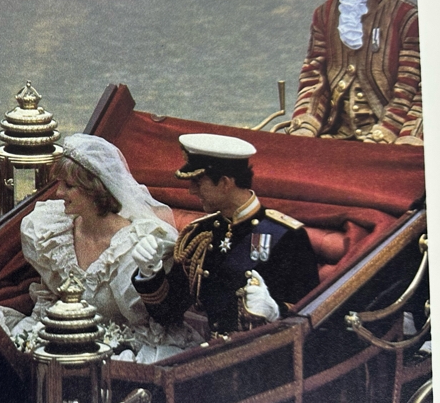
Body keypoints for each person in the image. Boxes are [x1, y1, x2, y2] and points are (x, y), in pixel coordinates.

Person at [0, 134, 202, 363]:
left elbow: (155, 320)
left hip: (123, 349)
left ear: (95, 190)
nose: (59, 193)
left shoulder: (137, 245)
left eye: (69, 186)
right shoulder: (50, 228)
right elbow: (51, 300)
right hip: (62, 334)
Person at [132, 134, 320, 337]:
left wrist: (275, 312)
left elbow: (315, 317)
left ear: (224, 182)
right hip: (209, 354)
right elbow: (168, 313)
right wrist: (149, 273)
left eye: (197, 182)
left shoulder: (287, 236)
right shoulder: (200, 234)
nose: (191, 191)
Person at [286, 0, 422, 146]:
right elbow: (313, 78)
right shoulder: (325, 13)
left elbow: (408, 88)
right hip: (334, 134)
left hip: (388, 136)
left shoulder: (407, 17)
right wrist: (306, 125)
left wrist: (387, 133)